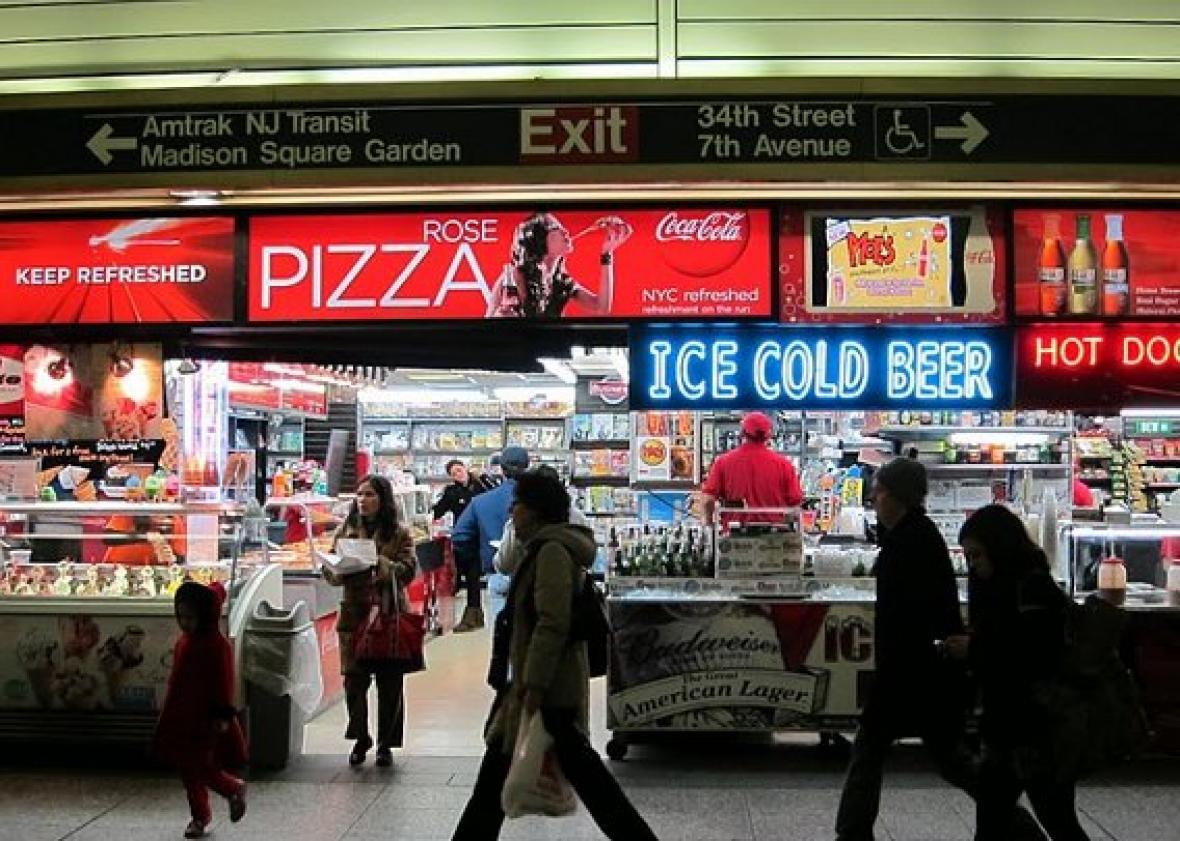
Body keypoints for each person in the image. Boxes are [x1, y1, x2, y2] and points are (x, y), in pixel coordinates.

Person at [451, 471, 658, 841]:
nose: (511, 511)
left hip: (545, 688)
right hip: (539, 684)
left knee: (587, 780)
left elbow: (552, 622)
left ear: (535, 510)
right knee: (502, 778)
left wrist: (533, 683)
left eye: (517, 505)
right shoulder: (544, 548)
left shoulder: (551, 552)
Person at [835, 457, 976, 841]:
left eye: (878, 492)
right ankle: (852, 833)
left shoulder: (911, 540)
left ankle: (851, 833)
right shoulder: (912, 534)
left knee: (932, 756)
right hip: (917, 665)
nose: (874, 500)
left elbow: (913, 610)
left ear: (895, 496)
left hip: (913, 667)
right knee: (944, 756)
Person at [946, 505, 1089, 841]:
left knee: (1052, 817)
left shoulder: (1031, 588)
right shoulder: (1000, 585)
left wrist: (974, 650)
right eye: (968, 556)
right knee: (1002, 818)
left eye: (977, 555)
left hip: (1036, 727)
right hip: (1006, 725)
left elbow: (1031, 654)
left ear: (999, 546)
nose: (973, 564)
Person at [323, 474, 417, 767]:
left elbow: (410, 570)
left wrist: (385, 566)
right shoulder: (347, 530)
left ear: (383, 499)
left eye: (370, 495)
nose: (363, 500)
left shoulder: (399, 533)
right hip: (355, 613)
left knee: (390, 683)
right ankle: (360, 736)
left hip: (388, 613)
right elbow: (330, 567)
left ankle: (386, 743)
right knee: (354, 682)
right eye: (360, 494)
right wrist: (337, 569)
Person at [153, 581, 247, 839]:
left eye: (190, 617)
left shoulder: (217, 646)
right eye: (181, 617)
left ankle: (227, 793)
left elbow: (224, 682)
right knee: (190, 769)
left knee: (198, 767)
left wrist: (222, 715)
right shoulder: (187, 641)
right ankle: (202, 813)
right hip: (183, 716)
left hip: (204, 718)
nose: (184, 623)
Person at [486, 212, 632, 319]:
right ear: (539, 240)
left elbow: (601, 307)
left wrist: (607, 253)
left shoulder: (561, 281)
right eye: (555, 227)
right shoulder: (515, 276)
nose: (565, 231)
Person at [451, 446, 530, 631]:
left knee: (503, 637)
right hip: (533, 573)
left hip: (498, 572)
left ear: (501, 469)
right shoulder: (540, 499)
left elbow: (459, 536)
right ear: (527, 466)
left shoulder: (481, 501)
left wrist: (481, 554)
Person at [700, 411, 804, 523]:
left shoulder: (723, 462)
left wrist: (709, 523)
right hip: (775, 535)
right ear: (768, 435)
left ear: (742, 433)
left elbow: (708, 500)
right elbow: (795, 503)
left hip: (735, 535)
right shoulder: (784, 465)